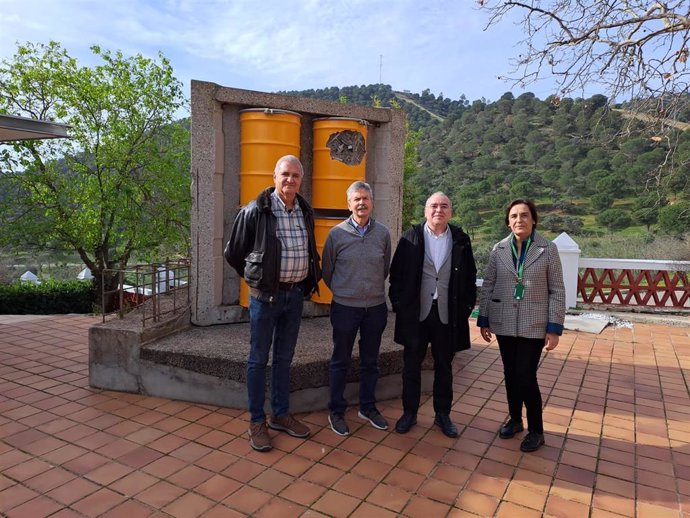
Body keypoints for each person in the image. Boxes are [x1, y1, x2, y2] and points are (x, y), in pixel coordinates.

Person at [225, 155, 322, 452]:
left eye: (295, 175)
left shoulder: (304, 210)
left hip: (294, 297)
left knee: (284, 358)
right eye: (285, 174)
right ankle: (257, 421)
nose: (290, 180)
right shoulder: (256, 211)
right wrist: (258, 279)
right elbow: (234, 253)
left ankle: (280, 414)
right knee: (258, 360)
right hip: (265, 298)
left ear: (301, 180)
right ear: (274, 176)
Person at [477, 199, 565, 453]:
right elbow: (489, 285)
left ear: (533, 219)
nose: (519, 220)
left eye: (524, 215)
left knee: (526, 376)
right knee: (510, 374)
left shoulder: (547, 250)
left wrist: (554, 327)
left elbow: (557, 290)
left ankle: (536, 430)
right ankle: (515, 419)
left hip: (533, 324)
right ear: (508, 221)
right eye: (514, 216)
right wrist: (484, 319)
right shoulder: (499, 249)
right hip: (504, 322)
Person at [389, 192, 477, 438]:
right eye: (434, 206)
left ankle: (443, 414)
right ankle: (409, 413)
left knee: (445, 366)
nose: (439, 210)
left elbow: (470, 277)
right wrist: (399, 305)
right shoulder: (411, 237)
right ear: (426, 210)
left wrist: (465, 309)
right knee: (411, 366)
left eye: (444, 206)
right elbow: (396, 274)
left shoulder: (461, 239)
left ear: (451, 211)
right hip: (417, 315)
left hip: (447, 315)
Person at [321, 181, 391, 436]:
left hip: (375, 308)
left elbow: (385, 268)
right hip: (344, 308)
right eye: (356, 199)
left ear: (372, 202)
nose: (362, 203)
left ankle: (368, 407)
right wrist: (346, 290)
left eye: (366, 199)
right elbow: (327, 271)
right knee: (340, 360)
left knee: (370, 361)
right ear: (348, 204)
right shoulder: (336, 234)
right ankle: (336, 411)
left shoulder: (382, 233)